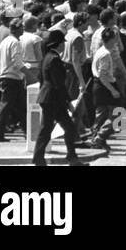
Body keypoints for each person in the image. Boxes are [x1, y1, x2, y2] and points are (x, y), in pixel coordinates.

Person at [32, 29, 85, 167]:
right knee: (52, 129)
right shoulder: (54, 59)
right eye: (62, 43)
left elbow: (42, 79)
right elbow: (59, 84)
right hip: (53, 99)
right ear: (58, 44)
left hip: (49, 97)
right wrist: (68, 102)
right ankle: (40, 159)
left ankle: (71, 157)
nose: (63, 45)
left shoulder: (47, 57)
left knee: (67, 127)